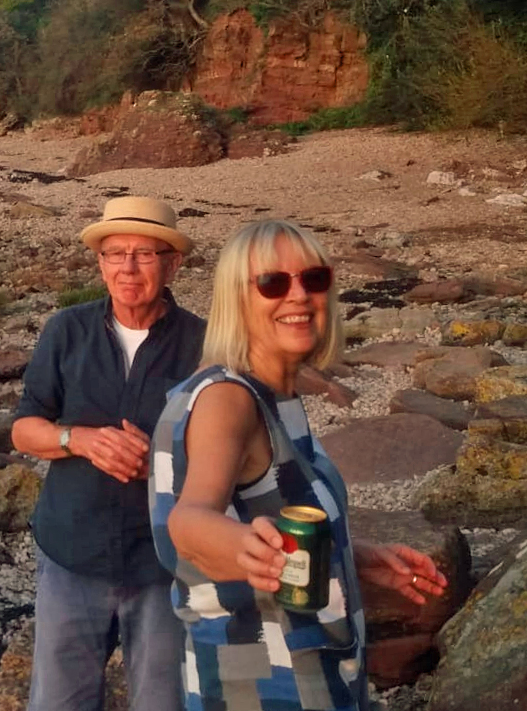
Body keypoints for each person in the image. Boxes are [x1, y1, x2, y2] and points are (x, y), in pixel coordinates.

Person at [148, 220, 447, 711]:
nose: (299, 295)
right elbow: (189, 519)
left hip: (311, 672)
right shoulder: (228, 400)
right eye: (272, 283)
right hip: (269, 687)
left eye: (314, 279)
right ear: (236, 300)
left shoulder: (270, 392)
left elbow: (269, 510)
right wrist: (243, 547)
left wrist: (350, 556)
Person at [13, 196, 207, 711]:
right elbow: (24, 430)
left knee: (164, 703)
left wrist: (161, 463)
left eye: (144, 254)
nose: (128, 267)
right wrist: (78, 439)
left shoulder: (205, 344)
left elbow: (229, 456)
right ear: (100, 264)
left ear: (172, 264)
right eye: (115, 253)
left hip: (163, 562)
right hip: (72, 552)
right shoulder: (66, 330)